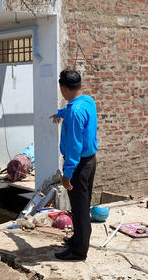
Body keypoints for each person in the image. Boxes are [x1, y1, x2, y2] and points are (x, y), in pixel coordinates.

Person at [49, 69, 98, 261]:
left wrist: (67, 173)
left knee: (79, 208)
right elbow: (70, 111)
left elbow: (75, 146)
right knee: (82, 204)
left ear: (63, 87)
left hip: (78, 164)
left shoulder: (75, 112)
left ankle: (79, 250)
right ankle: (79, 238)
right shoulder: (87, 101)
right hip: (90, 160)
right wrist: (59, 113)